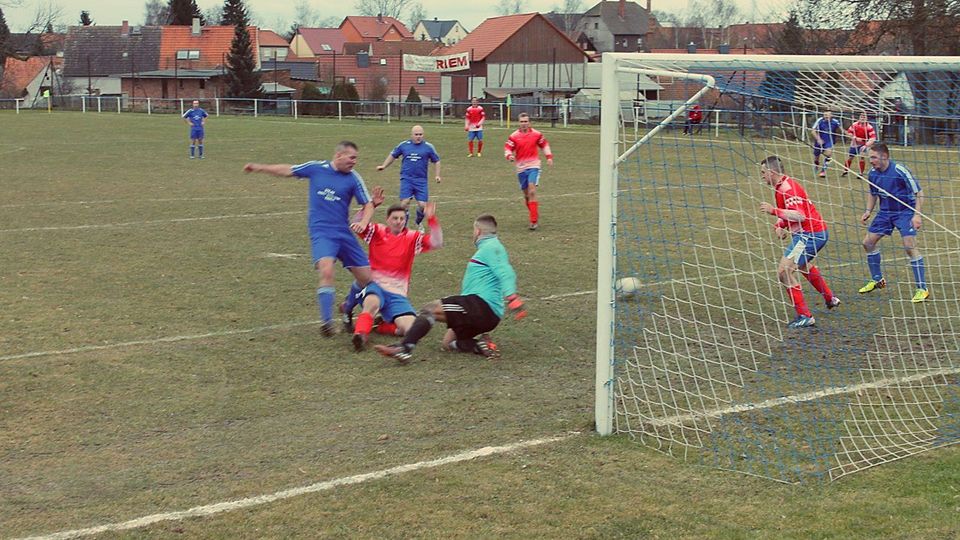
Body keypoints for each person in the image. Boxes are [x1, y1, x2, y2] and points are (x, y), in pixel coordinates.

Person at [243, 141, 374, 336]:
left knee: (367, 281)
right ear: (339, 155)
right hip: (322, 232)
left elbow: (368, 204)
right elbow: (288, 170)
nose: (355, 162)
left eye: (356, 158)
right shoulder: (316, 168)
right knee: (326, 270)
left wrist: (364, 222)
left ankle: (348, 305)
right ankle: (327, 323)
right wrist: (260, 167)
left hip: (343, 234)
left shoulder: (354, 178)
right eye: (352, 157)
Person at [374, 214, 527, 364]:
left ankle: (404, 349)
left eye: (473, 230)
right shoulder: (489, 247)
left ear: (478, 231)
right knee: (448, 343)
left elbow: (505, 271)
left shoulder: (492, 247)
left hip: (481, 306)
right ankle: (478, 345)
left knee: (431, 309)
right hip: (484, 313)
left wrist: (512, 297)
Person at [340, 186, 444, 351]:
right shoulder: (377, 231)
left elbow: (437, 243)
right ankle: (360, 335)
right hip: (374, 286)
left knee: (410, 329)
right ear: (387, 219)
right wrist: (371, 205)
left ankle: (380, 326)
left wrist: (431, 219)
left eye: (402, 219)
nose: (399, 222)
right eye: (395, 218)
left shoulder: (413, 237)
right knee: (372, 303)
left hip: (397, 294)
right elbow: (355, 224)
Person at [759, 155, 840, 329]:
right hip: (810, 234)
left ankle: (805, 315)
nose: (762, 176)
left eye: (763, 172)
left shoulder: (787, 189)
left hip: (810, 235)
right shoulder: (782, 187)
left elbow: (800, 215)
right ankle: (830, 298)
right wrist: (781, 224)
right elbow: (793, 214)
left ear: (772, 172)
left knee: (784, 271)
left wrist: (774, 211)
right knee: (803, 266)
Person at [857, 143, 928, 302]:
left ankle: (922, 288)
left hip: (905, 212)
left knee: (909, 246)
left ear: (885, 156)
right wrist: (868, 211)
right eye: (870, 157)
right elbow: (873, 193)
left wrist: (917, 215)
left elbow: (919, 192)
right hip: (885, 213)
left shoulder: (899, 170)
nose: (871, 161)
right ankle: (877, 280)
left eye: (874, 157)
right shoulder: (872, 173)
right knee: (868, 242)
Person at [377, 125, 441, 228]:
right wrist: (384, 166)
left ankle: (418, 222)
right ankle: (403, 228)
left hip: (421, 180)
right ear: (411, 135)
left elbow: (437, 161)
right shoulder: (404, 145)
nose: (418, 137)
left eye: (420, 134)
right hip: (407, 179)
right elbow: (393, 155)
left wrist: (437, 175)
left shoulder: (428, 147)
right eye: (416, 135)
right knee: (404, 203)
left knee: (422, 205)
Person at [504, 112, 553, 231]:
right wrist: (509, 155)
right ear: (519, 123)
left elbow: (544, 145)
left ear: (529, 122)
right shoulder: (514, 136)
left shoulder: (536, 134)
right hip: (521, 168)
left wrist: (549, 157)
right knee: (526, 195)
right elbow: (507, 148)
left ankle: (533, 221)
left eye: (526, 121)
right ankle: (533, 212)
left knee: (532, 190)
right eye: (522, 121)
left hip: (534, 165)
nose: (524, 124)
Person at [842, 112, 877, 177]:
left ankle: (861, 173)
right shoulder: (854, 124)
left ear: (866, 119)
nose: (863, 118)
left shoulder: (869, 127)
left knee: (862, 157)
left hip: (863, 144)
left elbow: (873, 138)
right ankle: (845, 170)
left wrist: (866, 145)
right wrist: (855, 138)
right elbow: (849, 133)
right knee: (850, 157)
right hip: (854, 144)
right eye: (861, 117)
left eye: (864, 117)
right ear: (859, 118)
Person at [810, 110, 841, 178]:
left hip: (829, 141)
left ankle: (823, 171)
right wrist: (818, 139)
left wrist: (850, 135)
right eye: (825, 115)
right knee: (816, 157)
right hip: (819, 141)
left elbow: (841, 129)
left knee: (828, 154)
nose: (826, 116)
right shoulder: (820, 120)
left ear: (831, 116)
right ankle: (816, 164)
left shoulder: (835, 122)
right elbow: (813, 131)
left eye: (828, 115)